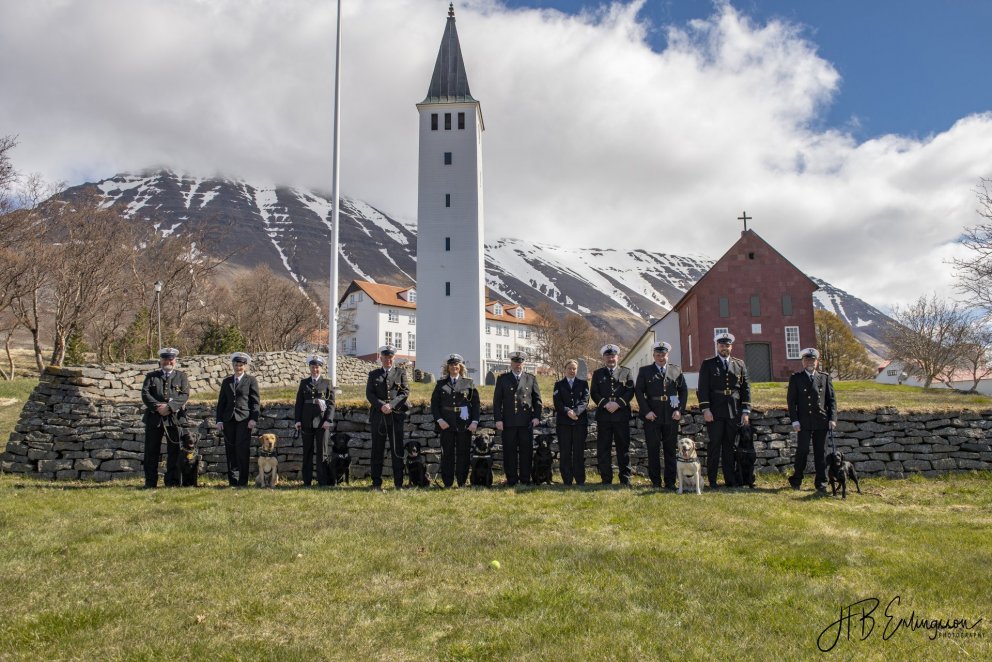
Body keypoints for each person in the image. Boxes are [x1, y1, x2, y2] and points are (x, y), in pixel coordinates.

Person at [696, 332, 750, 488]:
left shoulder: (739, 364)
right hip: (715, 410)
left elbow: (745, 389)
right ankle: (712, 480)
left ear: (731, 347)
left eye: (727, 345)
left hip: (733, 410)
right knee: (714, 445)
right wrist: (706, 409)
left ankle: (730, 480)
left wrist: (745, 411)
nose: (724, 348)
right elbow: (702, 388)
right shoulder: (708, 364)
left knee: (729, 446)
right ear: (717, 346)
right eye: (721, 345)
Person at [634, 341, 688, 489]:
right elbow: (639, 391)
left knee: (670, 450)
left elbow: (683, 391)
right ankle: (656, 482)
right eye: (658, 355)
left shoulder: (676, 370)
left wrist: (679, 410)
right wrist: (646, 411)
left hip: (671, 415)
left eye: (663, 355)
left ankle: (670, 482)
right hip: (653, 415)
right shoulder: (645, 371)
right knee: (653, 450)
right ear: (653, 355)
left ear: (667, 355)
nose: (661, 357)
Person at [786, 347, 837, 492]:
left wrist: (832, 418)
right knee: (802, 451)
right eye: (807, 360)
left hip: (821, 420)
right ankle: (796, 480)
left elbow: (831, 400)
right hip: (803, 421)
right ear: (802, 361)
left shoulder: (824, 377)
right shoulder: (796, 378)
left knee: (821, 452)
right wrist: (794, 420)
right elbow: (791, 402)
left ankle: (821, 482)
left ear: (817, 362)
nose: (810, 362)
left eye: (813, 360)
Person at [140, 347, 190, 488]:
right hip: (154, 418)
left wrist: (169, 407)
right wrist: (158, 407)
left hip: (174, 418)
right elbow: (145, 394)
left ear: (175, 361)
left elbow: (184, 395)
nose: (168, 362)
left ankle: (171, 482)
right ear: (160, 360)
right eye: (165, 359)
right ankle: (150, 482)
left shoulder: (182, 376)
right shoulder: (151, 376)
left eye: (171, 359)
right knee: (151, 451)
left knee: (174, 451)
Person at [493, 350, 542, 486]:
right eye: (515, 362)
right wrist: (498, 419)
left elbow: (537, 400)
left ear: (523, 363)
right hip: (508, 422)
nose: (517, 365)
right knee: (509, 452)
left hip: (526, 422)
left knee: (526, 452)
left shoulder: (531, 378)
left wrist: (537, 417)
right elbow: (497, 401)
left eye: (520, 362)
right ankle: (512, 480)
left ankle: (525, 479)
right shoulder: (503, 378)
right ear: (511, 363)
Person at [430, 354, 480, 488]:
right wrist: (439, 420)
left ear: (460, 367)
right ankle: (448, 482)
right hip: (446, 423)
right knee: (447, 453)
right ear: (448, 367)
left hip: (464, 423)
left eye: (456, 364)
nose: (454, 367)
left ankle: (461, 482)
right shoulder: (441, 384)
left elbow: (476, 404)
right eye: (451, 365)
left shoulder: (468, 383)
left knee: (463, 453)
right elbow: (434, 404)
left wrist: (475, 421)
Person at [591, 344, 635, 485]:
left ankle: (625, 478)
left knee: (623, 448)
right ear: (603, 358)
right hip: (604, 415)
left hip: (621, 415)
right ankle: (606, 479)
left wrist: (618, 404)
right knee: (604, 448)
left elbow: (630, 391)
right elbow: (594, 393)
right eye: (608, 356)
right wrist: (605, 404)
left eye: (613, 356)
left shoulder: (626, 372)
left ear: (618, 357)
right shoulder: (598, 373)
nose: (611, 359)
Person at [366, 344, 409, 490]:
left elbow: (405, 392)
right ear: (381, 358)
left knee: (397, 450)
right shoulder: (374, 374)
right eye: (385, 357)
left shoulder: (400, 372)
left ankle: (398, 483)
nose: (388, 360)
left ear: (394, 358)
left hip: (395, 415)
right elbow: (370, 394)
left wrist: (391, 405)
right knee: (377, 450)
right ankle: (376, 483)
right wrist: (381, 405)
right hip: (378, 416)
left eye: (390, 358)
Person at [215, 352, 260, 487]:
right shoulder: (227, 381)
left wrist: (253, 419)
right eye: (236, 365)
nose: (238, 367)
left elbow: (255, 402)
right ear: (233, 365)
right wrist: (219, 420)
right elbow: (221, 402)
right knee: (230, 450)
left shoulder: (251, 380)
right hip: (228, 419)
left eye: (241, 365)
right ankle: (233, 481)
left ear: (245, 366)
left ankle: (243, 481)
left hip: (244, 419)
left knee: (242, 449)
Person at [294, 355, 334, 487]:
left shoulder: (327, 383)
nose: (315, 370)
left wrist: (328, 420)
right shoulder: (304, 382)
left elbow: (331, 404)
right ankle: (307, 481)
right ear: (309, 368)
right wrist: (297, 420)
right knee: (307, 451)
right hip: (306, 421)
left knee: (322, 452)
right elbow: (299, 403)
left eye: (317, 367)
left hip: (322, 422)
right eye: (312, 367)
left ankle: (322, 481)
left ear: (321, 368)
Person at [553, 359, 589, 486]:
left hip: (579, 423)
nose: (572, 371)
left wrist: (576, 412)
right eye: (569, 368)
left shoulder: (583, 383)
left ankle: (580, 479)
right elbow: (557, 402)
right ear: (565, 370)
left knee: (579, 451)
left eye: (574, 369)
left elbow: (585, 400)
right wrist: (568, 411)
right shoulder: (559, 384)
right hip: (564, 423)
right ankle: (567, 479)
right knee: (565, 452)